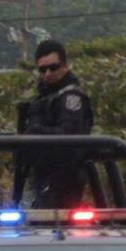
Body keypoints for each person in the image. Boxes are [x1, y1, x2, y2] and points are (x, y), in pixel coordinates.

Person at [14, 39, 94, 209]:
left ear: (65, 66)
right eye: (42, 69)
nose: (48, 74)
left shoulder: (71, 97)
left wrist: (37, 132)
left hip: (64, 178)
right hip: (41, 175)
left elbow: (69, 136)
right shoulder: (45, 96)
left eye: (53, 68)